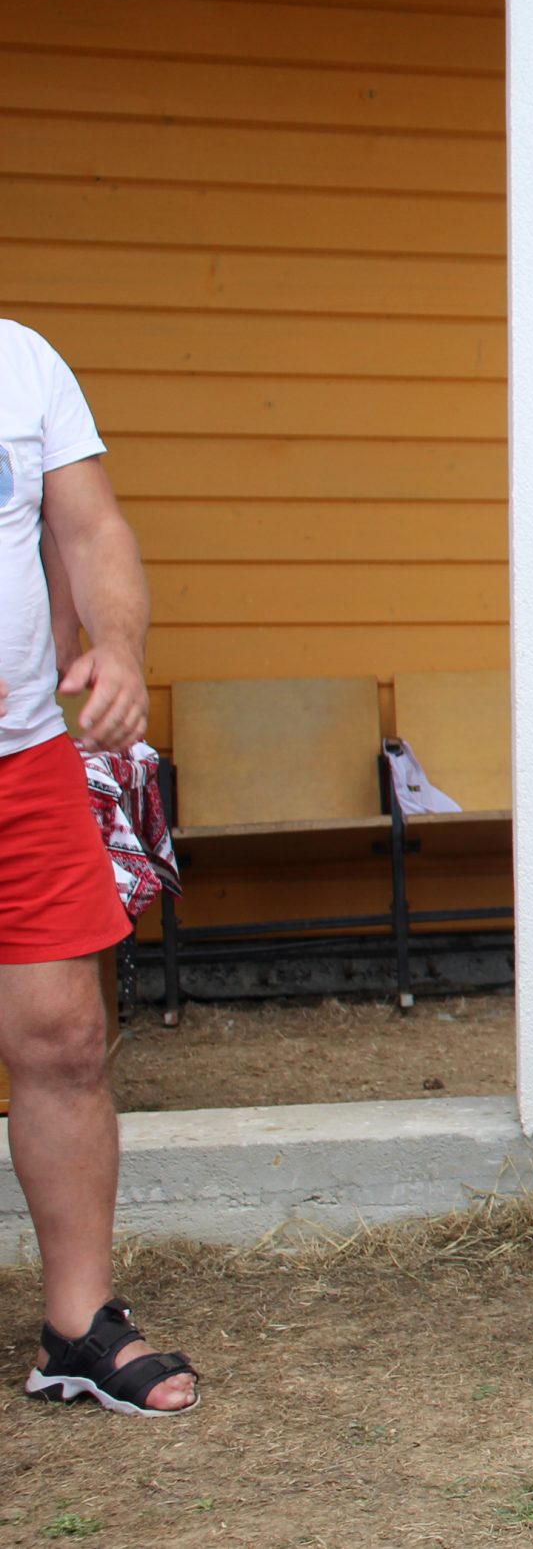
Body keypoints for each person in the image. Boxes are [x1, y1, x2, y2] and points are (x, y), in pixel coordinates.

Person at [0, 320, 199, 1417]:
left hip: (24, 761)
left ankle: (76, 1326)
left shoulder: (23, 362)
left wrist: (117, 646)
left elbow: (93, 529)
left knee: (65, 1037)